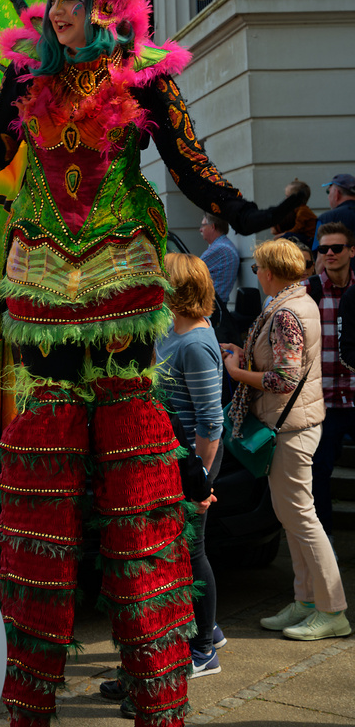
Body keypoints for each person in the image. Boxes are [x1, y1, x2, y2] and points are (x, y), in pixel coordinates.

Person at [0, 0, 297, 726]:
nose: (59, 10)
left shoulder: (146, 78)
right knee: (39, 499)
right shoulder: (32, 76)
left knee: (138, 493)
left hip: (121, 288)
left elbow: (191, 167)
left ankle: (160, 690)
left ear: (110, 4)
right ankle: (27, 696)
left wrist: (251, 210)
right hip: (44, 289)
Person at [221, 239, 350, 641]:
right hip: (294, 423)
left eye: (258, 267)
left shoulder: (286, 312)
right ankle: (306, 601)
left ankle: (333, 610)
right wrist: (244, 353)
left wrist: (235, 371)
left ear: (271, 271)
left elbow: (284, 379)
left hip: (291, 426)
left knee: (302, 520)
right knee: (293, 518)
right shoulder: (297, 302)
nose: (255, 272)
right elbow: (282, 363)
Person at [158, 254, 223, 677]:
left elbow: (210, 420)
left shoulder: (195, 344)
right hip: (179, 465)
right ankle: (209, 631)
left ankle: (203, 652)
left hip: (192, 468)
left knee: (192, 553)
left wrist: (198, 479)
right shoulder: (174, 331)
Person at [307, 223, 355, 536]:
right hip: (321, 403)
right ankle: (325, 545)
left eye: (336, 248)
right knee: (318, 475)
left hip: (354, 397)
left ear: (352, 251)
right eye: (323, 249)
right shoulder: (309, 290)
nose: (329, 254)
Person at [200, 212, 240, 301]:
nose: (200, 230)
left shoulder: (220, 249)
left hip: (211, 307)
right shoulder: (224, 245)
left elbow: (188, 274)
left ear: (212, 227)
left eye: (203, 225)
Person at [313, 174, 355, 249]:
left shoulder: (326, 218)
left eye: (328, 192)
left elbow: (318, 251)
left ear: (336, 193)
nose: (328, 197)